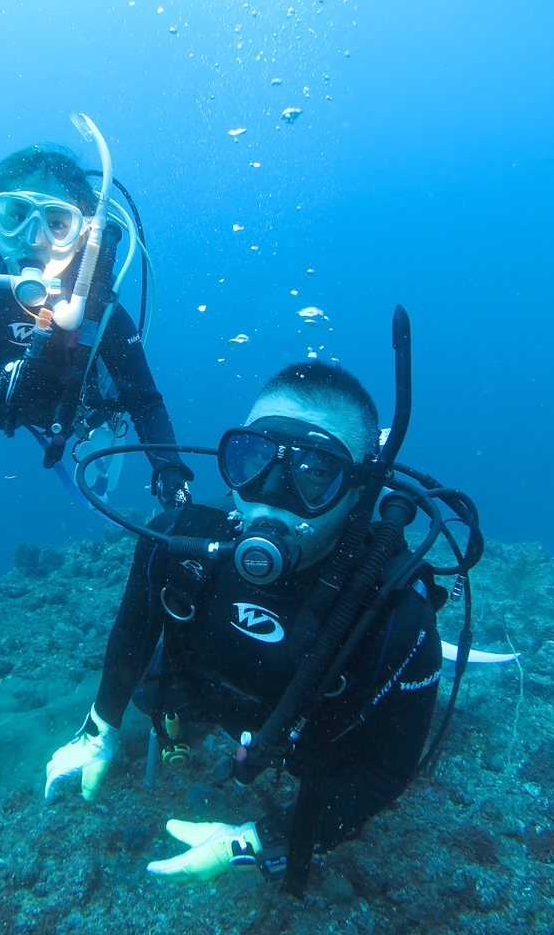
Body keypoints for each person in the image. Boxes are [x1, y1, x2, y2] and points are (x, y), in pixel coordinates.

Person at [44, 359, 454, 898]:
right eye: (253, 460)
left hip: (304, 741)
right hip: (205, 696)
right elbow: (132, 635)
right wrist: (99, 731)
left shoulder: (398, 620)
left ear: (360, 489)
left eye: (313, 473)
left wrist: (256, 840)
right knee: (155, 695)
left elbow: (383, 773)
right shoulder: (177, 543)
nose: (270, 494)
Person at [0, 141, 192, 509]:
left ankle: (104, 435)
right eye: (16, 214)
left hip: (77, 411)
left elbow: (145, 401)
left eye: (56, 223)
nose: (34, 239)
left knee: (103, 415)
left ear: (84, 233)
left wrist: (171, 475)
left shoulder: (99, 310)